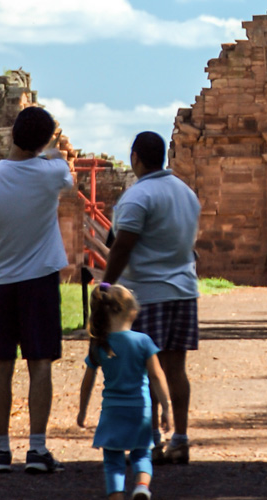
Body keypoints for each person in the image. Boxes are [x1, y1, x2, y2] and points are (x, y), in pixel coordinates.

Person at [0, 106, 73, 473]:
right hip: (40, 280)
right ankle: (37, 449)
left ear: (12, 134)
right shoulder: (53, 173)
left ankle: (0, 449)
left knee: (1, 363)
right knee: (40, 363)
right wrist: (51, 148)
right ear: (43, 141)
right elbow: (62, 168)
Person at [101, 131, 200, 465]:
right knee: (176, 368)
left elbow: (122, 246)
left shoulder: (137, 197)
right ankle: (181, 438)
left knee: (145, 371)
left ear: (135, 158)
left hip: (146, 293)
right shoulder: (187, 194)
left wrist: (105, 285)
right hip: (183, 291)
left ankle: (152, 441)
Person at [77, 283, 172, 500]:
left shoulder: (100, 344)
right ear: (131, 311)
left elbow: (87, 382)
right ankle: (141, 486)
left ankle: (116, 496)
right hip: (141, 410)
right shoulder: (143, 341)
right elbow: (157, 376)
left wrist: (82, 411)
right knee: (142, 454)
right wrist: (166, 408)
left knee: (113, 461)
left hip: (112, 412)